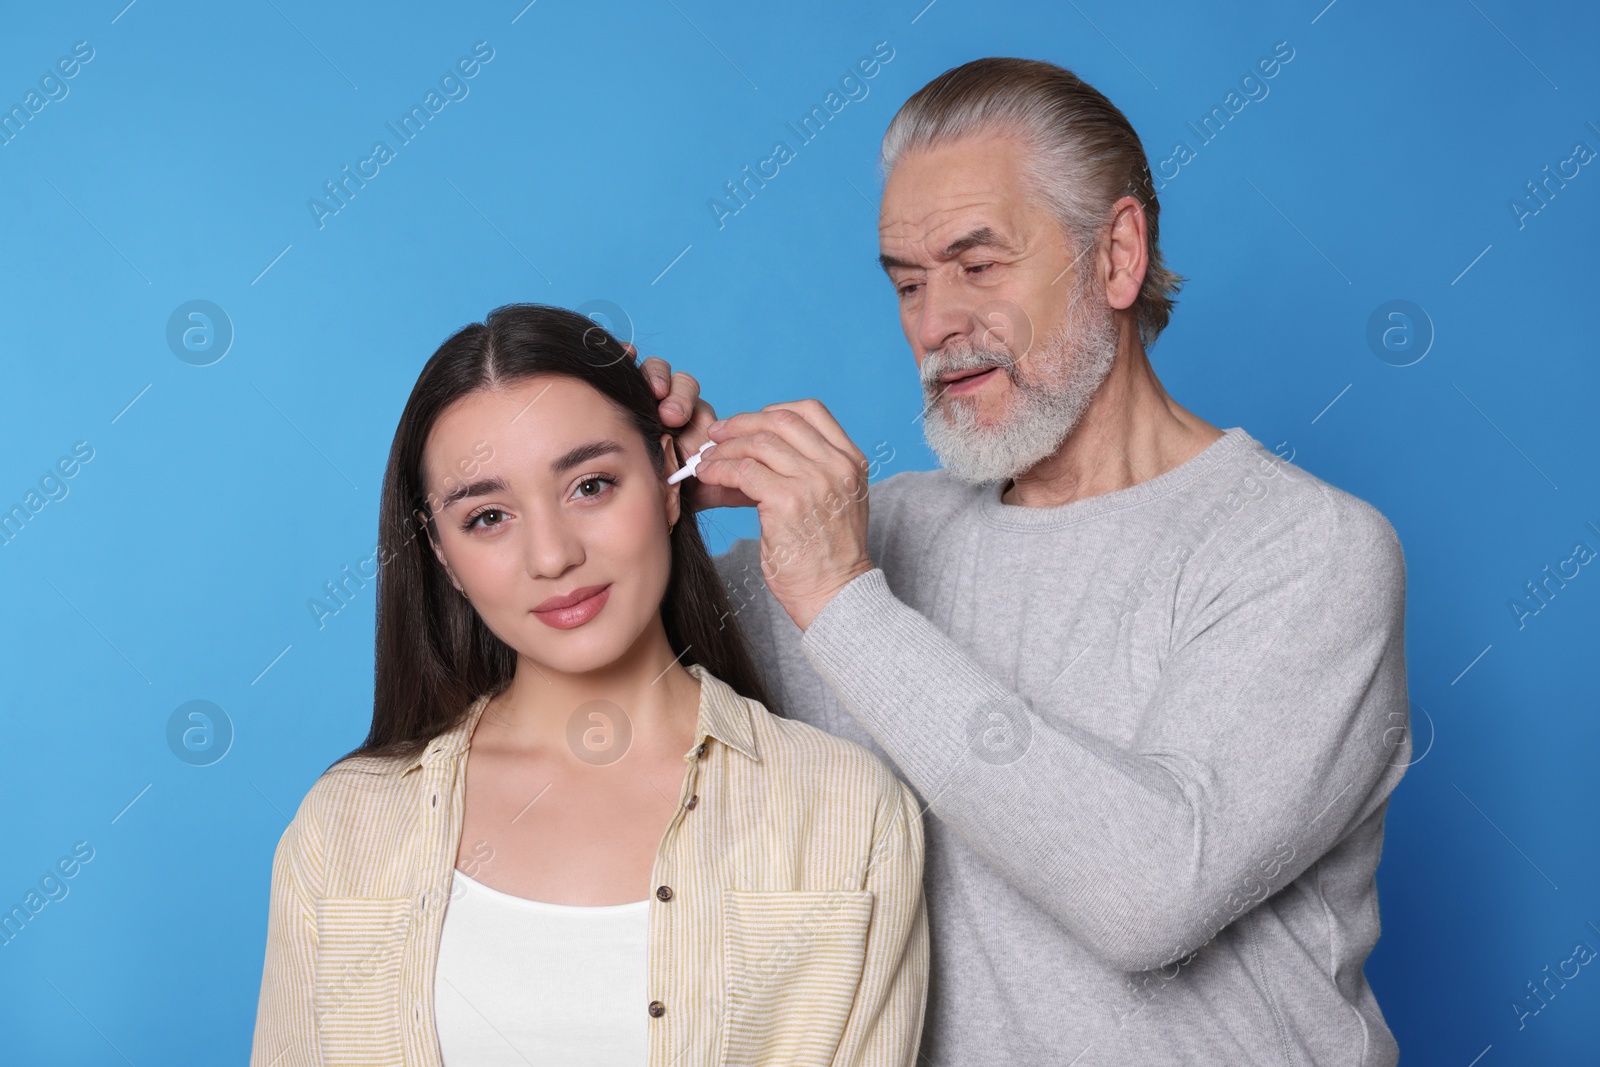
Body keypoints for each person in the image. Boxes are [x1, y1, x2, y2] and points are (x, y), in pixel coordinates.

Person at [640, 57, 1411, 1065]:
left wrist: (840, 594)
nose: (933, 324)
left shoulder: (1307, 550)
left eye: (976, 265)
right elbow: (599, 681)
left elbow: (1148, 892)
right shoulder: (865, 539)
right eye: (908, 282)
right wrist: (635, 490)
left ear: (1115, 254)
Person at [248, 304, 928, 1067]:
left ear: (672, 482)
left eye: (592, 484)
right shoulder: (344, 828)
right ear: (440, 553)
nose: (551, 555)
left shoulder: (845, 810)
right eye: (488, 516)